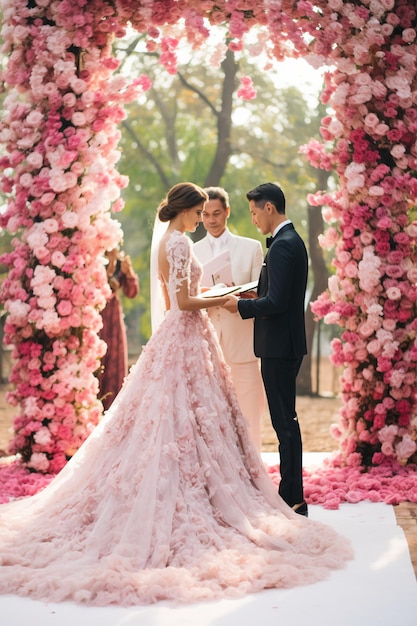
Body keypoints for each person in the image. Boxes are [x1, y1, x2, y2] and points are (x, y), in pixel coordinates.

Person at [0, 182, 351, 607]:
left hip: (180, 334)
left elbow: (174, 298)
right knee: (185, 410)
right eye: (200, 211)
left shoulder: (170, 241)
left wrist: (221, 299)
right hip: (187, 330)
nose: (203, 219)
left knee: (174, 411)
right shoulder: (181, 244)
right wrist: (220, 297)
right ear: (187, 211)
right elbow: (183, 302)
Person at [224, 183, 309, 517]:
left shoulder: (285, 245)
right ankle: (290, 494)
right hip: (280, 344)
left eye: (254, 212)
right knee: (284, 421)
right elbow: (275, 296)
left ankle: (294, 498)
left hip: (280, 346)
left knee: (285, 423)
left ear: (269, 208)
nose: (254, 219)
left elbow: (277, 303)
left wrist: (240, 307)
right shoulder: (287, 242)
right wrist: (252, 298)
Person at [193, 187, 265, 449]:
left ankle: (254, 467)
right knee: (210, 413)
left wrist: (238, 290)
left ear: (227, 212)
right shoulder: (193, 250)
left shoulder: (251, 247)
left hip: (242, 340)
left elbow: (261, 294)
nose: (211, 220)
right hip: (205, 341)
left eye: (216, 213)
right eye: (205, 214)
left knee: (248, 412)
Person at [98, 246, 139, 410]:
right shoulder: (96, 261)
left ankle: (112, 408)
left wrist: (129, 274)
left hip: (113, 316)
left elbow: (132, 292)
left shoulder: (122, 263)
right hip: (97, 315)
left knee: (114, 357)